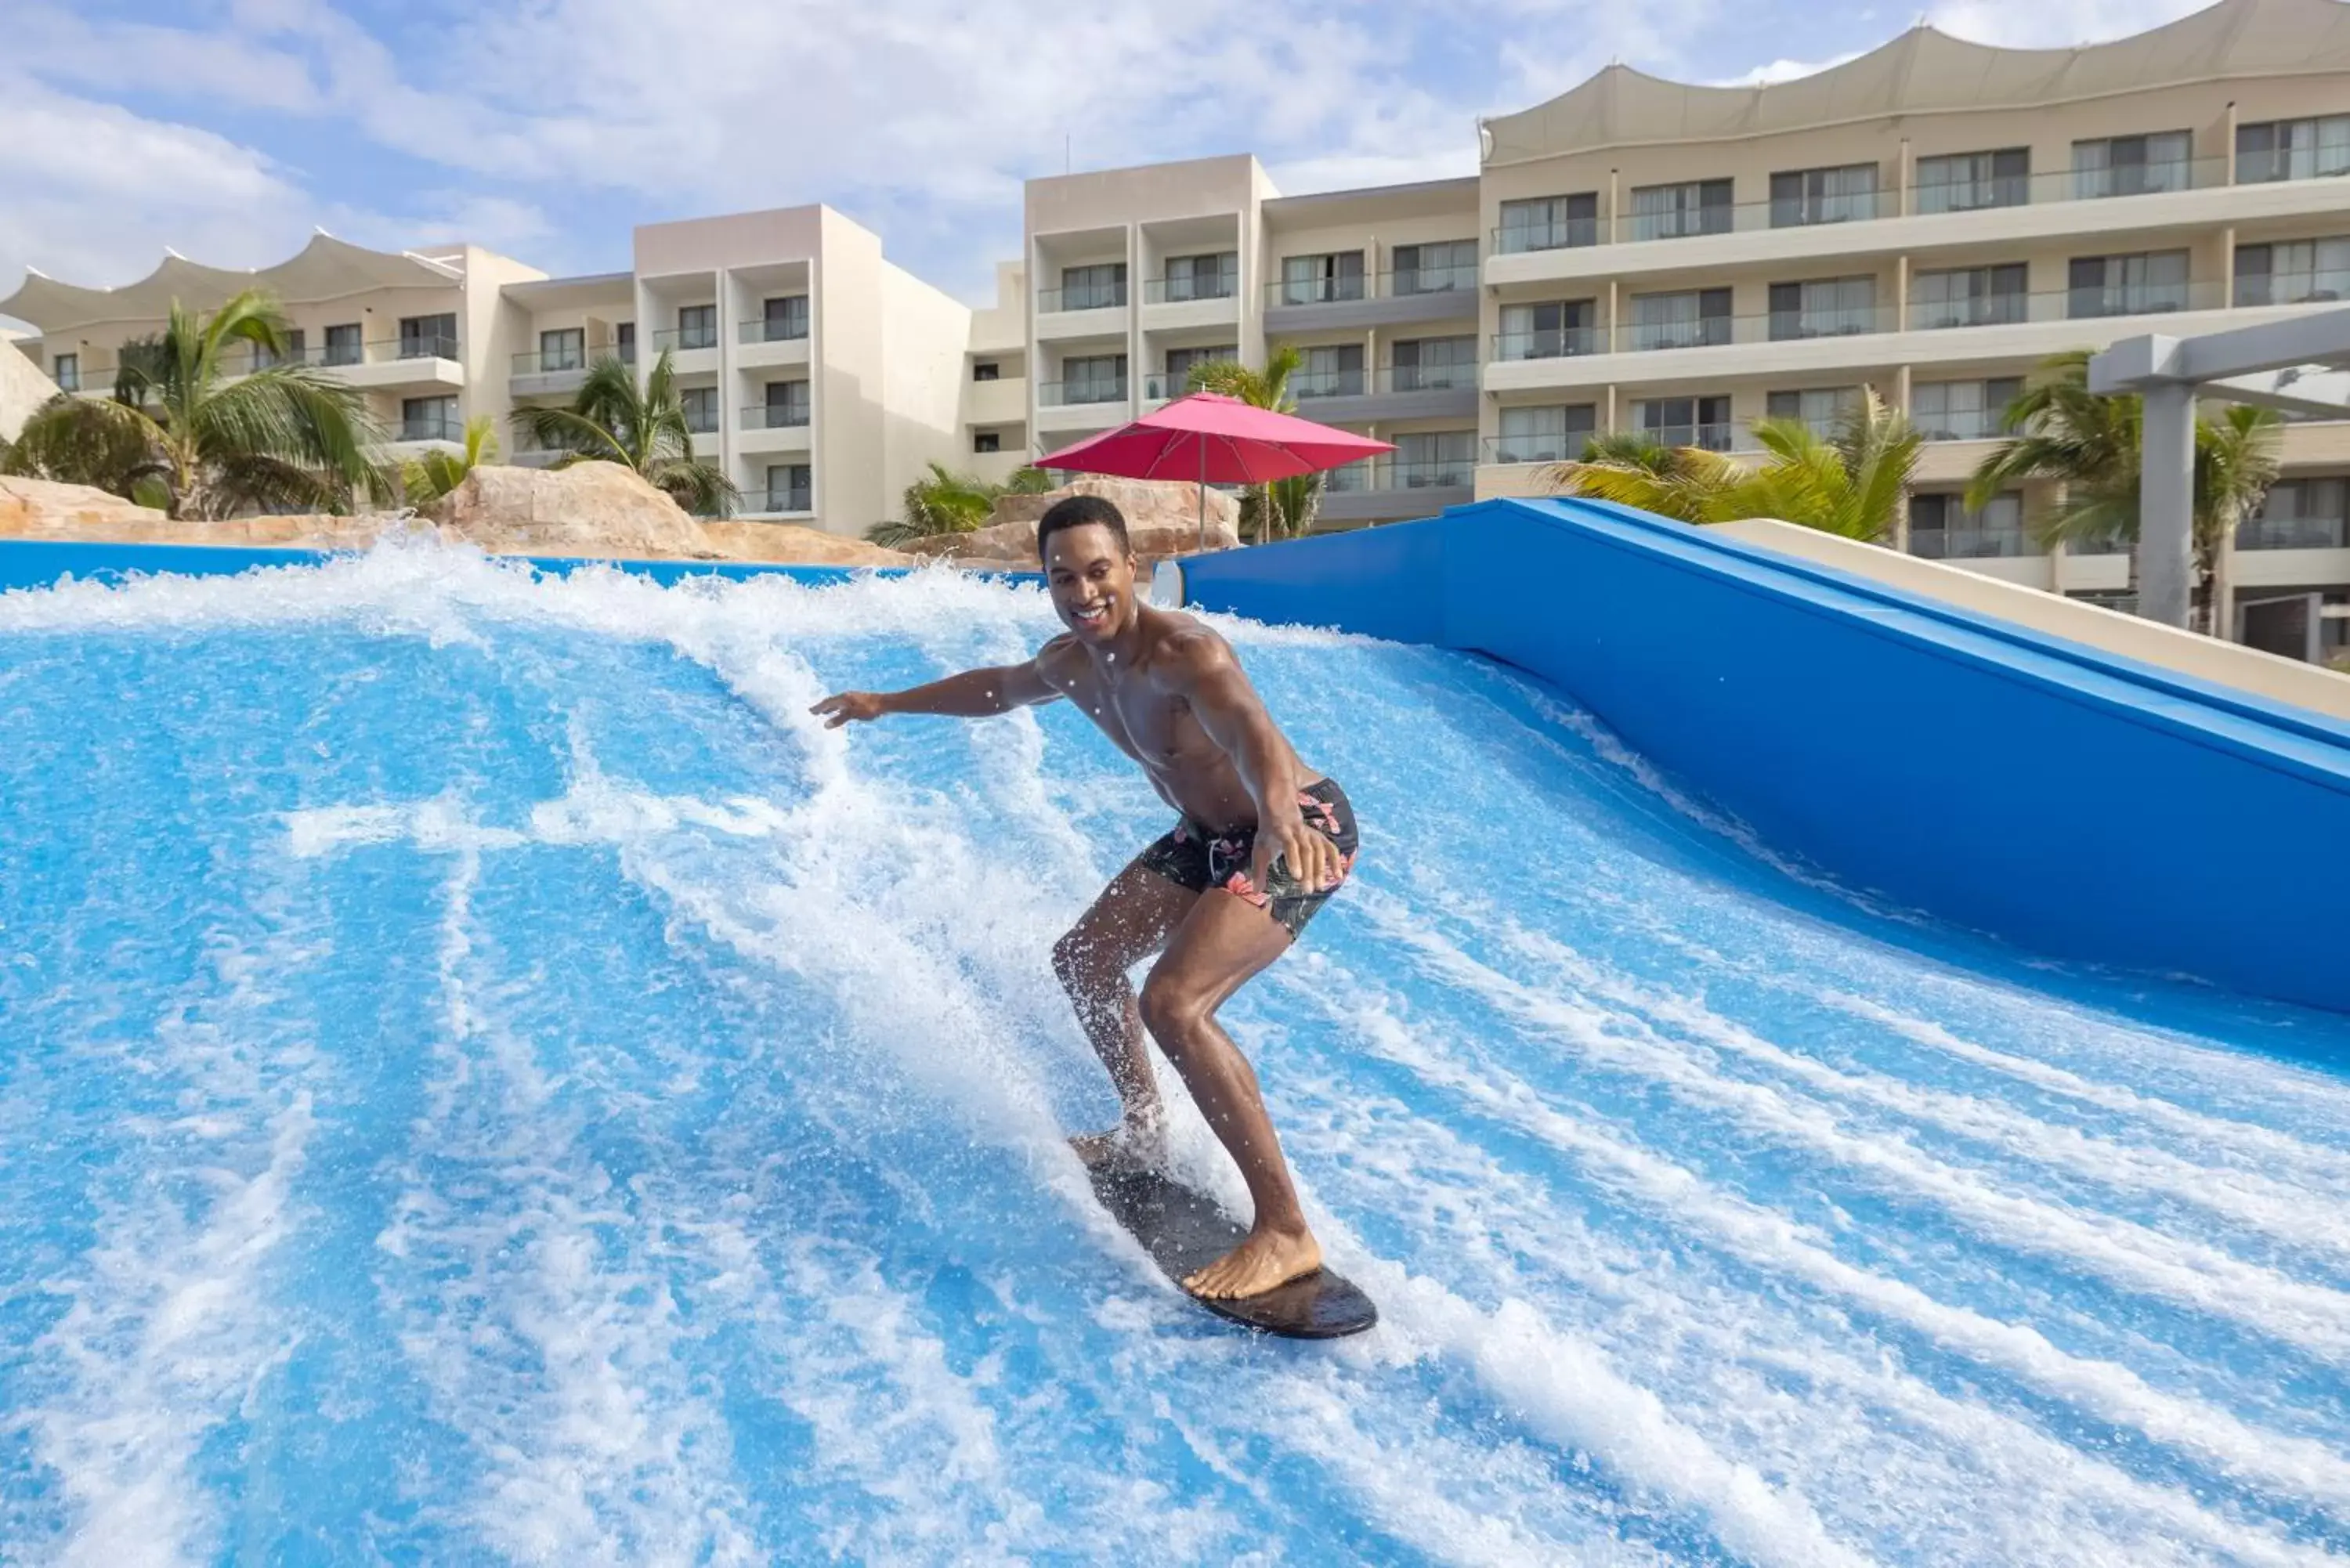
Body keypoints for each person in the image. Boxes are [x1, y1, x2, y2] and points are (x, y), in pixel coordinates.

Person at [811, 494, 1358, 1300]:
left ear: (1132, 568)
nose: (1083, 591)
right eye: (1062, 576)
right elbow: (997, 687)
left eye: (1099, 570)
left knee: (1173, 1003)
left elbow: (1253, 731)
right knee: (1084, 957)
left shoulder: (1187, 653)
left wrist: (1278, 817)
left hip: (1297, 828)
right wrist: (887, 703)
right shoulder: (1071, 663)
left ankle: (1285, 1229)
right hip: (1210, 835)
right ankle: (1145, 1132)